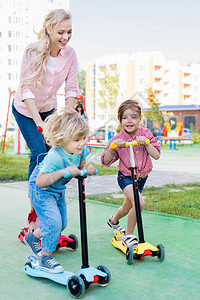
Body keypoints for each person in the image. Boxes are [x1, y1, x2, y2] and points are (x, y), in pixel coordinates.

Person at [12, 8, 79, 231]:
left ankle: (51, 196)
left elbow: (71, 89)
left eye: (69, 32)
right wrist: (39, 123)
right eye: (61, 32)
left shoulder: (70, 54)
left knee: (57, 150)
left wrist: (65, 118)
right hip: (25, 109)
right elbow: (27, 89)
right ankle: (36, 208)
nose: (65, 37)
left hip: (49, 108)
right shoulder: (32, 51)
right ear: (49, 29)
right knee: (39, 151)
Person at [24, 107, 96, 273]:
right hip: (41, 190)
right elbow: (40, 181)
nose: (82, 143)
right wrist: (62, 172)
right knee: (54, 223)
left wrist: (86, 168)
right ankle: (45, 258)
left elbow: (81, 164)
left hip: (57, 190)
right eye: (77, 139)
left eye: (84, 137)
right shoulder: (55, 157)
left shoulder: (81, 150)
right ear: (63, 139)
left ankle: (32, 237)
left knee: (61, 223)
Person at [101, 100, 161, 249]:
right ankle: (129, 235)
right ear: (120, 120)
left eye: (133, 117)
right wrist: (112, 148)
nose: (129, 120)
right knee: (139, 203)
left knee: (128, 207)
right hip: (125, 177)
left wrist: (147, 143)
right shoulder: (117, 139)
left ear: (140, 119)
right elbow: (105, 161)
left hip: (141, 178)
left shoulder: (146, 134)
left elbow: (157, 155)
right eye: (125, 117)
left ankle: (113, 220)